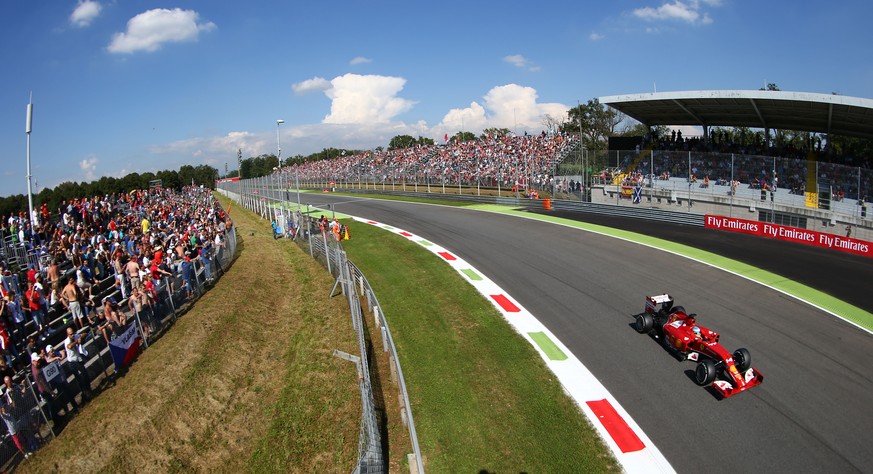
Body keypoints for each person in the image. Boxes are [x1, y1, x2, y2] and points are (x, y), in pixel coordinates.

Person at [63, 327, 92, 401]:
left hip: (78, 359)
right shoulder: (67, 341)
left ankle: (88, 389)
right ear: (67, 334)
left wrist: (81, 336)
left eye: (73, 333)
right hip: (72, 362)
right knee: (79, 379)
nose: (72, 335)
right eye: (71, 334)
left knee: (85, 374)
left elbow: (85, 334)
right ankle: (85, 393)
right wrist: (76, 342)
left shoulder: (76, 336)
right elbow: (69, 346)